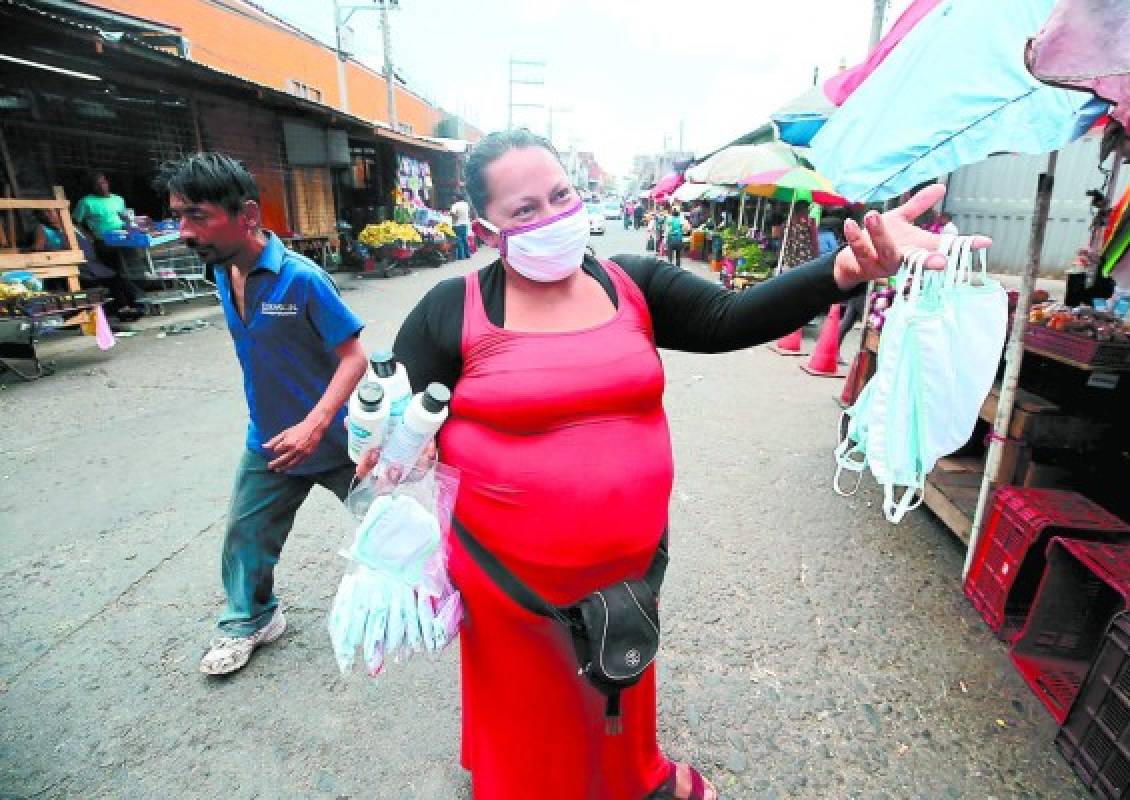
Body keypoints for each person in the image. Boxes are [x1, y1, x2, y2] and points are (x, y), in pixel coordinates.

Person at [367, 129, 982, 799]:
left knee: (620, 681)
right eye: (525, 210)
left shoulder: (630, 283)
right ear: (487, 231)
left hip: (628, 567)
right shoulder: (447, 312)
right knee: (528, 705)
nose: (553, 218)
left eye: (561, 195)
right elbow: (390, 425)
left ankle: (635, 779)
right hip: (508, 578)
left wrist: (844, 271)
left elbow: (727, 318)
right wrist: (390, 450)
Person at [156, 152, 367, 676]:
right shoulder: (222, 273)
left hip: (340, 441)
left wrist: (315, 424)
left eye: (198, 217)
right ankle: (251, 620)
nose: (184, 231)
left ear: (248, 216)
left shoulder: (302, 280)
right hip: (270, 440)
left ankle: (440, 605)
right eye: (180, 216)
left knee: (393, 526)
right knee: (247, 536)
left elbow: (354, 357)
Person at [450, 192, 471, 260]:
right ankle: (467, 254)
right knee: (464, 239)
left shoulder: (455, 205)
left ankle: (461, 256)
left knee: (459, 240)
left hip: (457, 225)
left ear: (457, 198)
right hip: (465, 224)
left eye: (454, 197)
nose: (453, 198)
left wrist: (455, 218)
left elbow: (452, 213)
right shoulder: (466, 204)